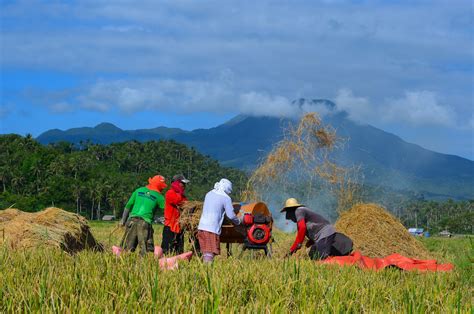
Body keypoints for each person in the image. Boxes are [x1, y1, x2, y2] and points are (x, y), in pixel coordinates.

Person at [281, 198, 353, 260]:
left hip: (325, 233)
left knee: (321, 257)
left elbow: (302, 229)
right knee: (313, 254)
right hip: (322, 236)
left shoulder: (299, 211)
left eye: (290, 217)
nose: (291, 219)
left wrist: (293, 249)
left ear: (290, 210)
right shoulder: (301, 214)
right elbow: (308, 230)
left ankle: (344, 262)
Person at [119, 175, 167, 256]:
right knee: (146, 250)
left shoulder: (138, 191)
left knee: (126, 249)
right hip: (145, 223)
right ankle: (142, 266)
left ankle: (124, 264)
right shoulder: (159, 197)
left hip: (131, 221)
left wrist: (123, 220)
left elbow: (128, 206)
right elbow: (166, 211)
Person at [197, 178, 241, 263]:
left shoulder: (209, 194)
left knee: (206, 251)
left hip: (201, 227)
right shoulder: (226, 198)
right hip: (211, 228)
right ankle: (207, 272)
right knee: (209, 252)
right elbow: (231, 215)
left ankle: (204, 270)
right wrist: (238, 221)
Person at [161, 174, 190, 255]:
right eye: (182, 183)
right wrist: (179, 192)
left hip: (179, 227)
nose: (184, 186)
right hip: (170, 226)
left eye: (185, 184)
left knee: (179, 251)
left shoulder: (183, 196)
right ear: (176, 183)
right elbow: (177, 202)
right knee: (167, 250)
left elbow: (186, 206)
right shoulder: (170, 193)